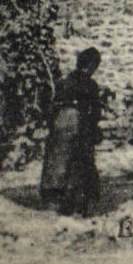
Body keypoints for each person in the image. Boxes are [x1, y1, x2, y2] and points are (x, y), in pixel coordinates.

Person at [40, 47, 103, 216]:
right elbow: (94, 112)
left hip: (60, 127)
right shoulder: (89, 84)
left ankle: (54, 202)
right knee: (80, 166)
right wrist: (93, 129)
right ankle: (77, 206)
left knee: (57, 164)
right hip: (79, 127)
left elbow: (52, 107)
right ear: (91, 66)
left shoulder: (66, 81)